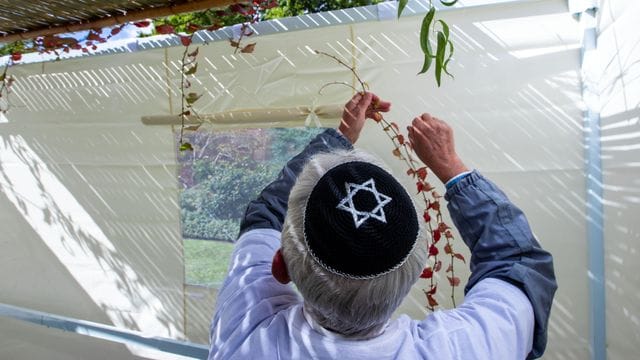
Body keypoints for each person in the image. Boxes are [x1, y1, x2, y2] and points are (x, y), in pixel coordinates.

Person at [208, 92, 557, 359]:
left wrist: (341, 137)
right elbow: (519, 262)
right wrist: (450, 166)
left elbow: (265, 214)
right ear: (417, 272)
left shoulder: (243, 335)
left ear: (279, 266)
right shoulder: (464, 348)